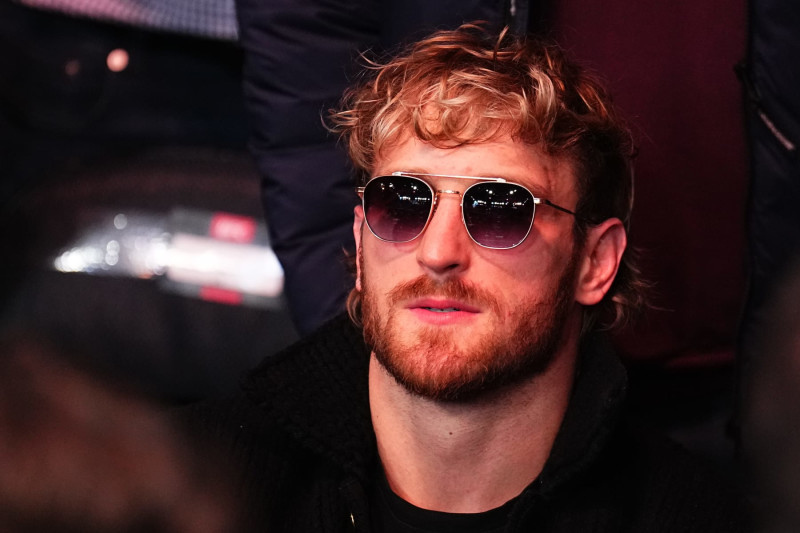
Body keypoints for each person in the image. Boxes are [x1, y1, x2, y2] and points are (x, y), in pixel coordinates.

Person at [185, 24, 748, 532]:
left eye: (501, 209)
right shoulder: (188, 488)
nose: (437, 252)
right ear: (360, 242)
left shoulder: (699, 515)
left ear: (595, 262)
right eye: (401, 204)